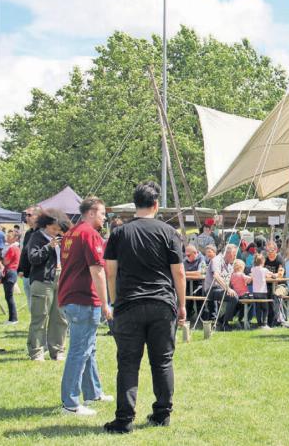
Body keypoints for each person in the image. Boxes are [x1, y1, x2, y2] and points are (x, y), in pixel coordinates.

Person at [103, 181, 186, 434]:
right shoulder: (168, 232)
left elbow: (110, 272)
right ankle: (162, 414)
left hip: (129, 304)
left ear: (134, 205)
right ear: (156, 204)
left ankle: (124, 419)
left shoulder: (118, 233)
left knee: (128, 363)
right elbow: (179, 273)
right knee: (162, 362)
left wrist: (115, 301)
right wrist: (182, 305)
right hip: (162, 303)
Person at [58, 197, 114, 416]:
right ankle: (71, 404)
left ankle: (93, 393)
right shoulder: (90, 234)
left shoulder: (71, 233)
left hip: (69, 296)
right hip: (83, 299)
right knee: (79, 351)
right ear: (91, 212)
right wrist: (104, 302)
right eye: (101, 213)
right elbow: (97, 270)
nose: (104, 218)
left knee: (88, 348)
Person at [26, 208, 71, 361]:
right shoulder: (36, 237)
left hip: (60, 279)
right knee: (40, 317)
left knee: (60, 317)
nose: (56, 232)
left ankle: (57, 350)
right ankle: (36, 351)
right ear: (45, 225)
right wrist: (48, 247)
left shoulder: (61, 238)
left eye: (59, 229)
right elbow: (33, 259)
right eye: (53, 229)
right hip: (42, 281)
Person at [202, 244, 240, 330]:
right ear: (228, 253)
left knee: (239, 299)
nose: (235, 257)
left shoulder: (229, 265)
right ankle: (225, 325)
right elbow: (216, 276)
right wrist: (228, 289)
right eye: (234, 255)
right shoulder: (217, 260)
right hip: (211, 290)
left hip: (221, 289)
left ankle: (221, 320)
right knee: (233, 297)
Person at [17, 206, 41, 311]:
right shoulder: (28, 233)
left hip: (37, 275)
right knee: (31, 303)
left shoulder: (43, 233)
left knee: (39, 306)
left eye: (29, 215)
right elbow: (24, 252)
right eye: (26, 215)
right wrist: (20, 268)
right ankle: (34, 326)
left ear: (38, 216)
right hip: (26, 275)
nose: (27, 217)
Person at [263, 241, 285, 327]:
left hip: (281, 285)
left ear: (276, 250)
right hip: (268, 285)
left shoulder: (280, 259)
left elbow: (280, 274)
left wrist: (272, 275)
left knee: (276, 295)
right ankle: (265, 321)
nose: (268, 252)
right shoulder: (265, 259)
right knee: (263, 295)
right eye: (267, 250)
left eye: (271, 250)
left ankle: (279, 319)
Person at [1, 230, 21, 325]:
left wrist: (1, 258)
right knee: (9, 296)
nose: (7, 237)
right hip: (11, 272)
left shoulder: (12, 248)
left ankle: (13, 319)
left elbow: (6, 262)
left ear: (15, 238)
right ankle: (12, 318)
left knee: (9, 297)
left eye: (10, 236)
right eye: (7, 236)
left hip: (10, 272)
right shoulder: (14, 247)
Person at [250, 253, 273, 328]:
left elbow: (252, 276)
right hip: (263, 291)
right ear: (263, 262)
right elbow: (271, 274)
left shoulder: (252, 269)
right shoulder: (264, 270)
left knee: (258, 308)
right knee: (265, 308)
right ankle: (265, 323)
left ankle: (259, 323)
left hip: (255, 292)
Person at [183, 244, 206, 319]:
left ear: (195, 253)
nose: (187, 257)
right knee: (184, 295)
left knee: (198, 294)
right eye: (186, 255)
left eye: (189, 255)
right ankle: (187, 317)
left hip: (199, 283)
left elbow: (200, 273)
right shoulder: (185, 260)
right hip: (187, 283)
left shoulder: (202, 259)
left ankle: (201, 318)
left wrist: (185, 273)